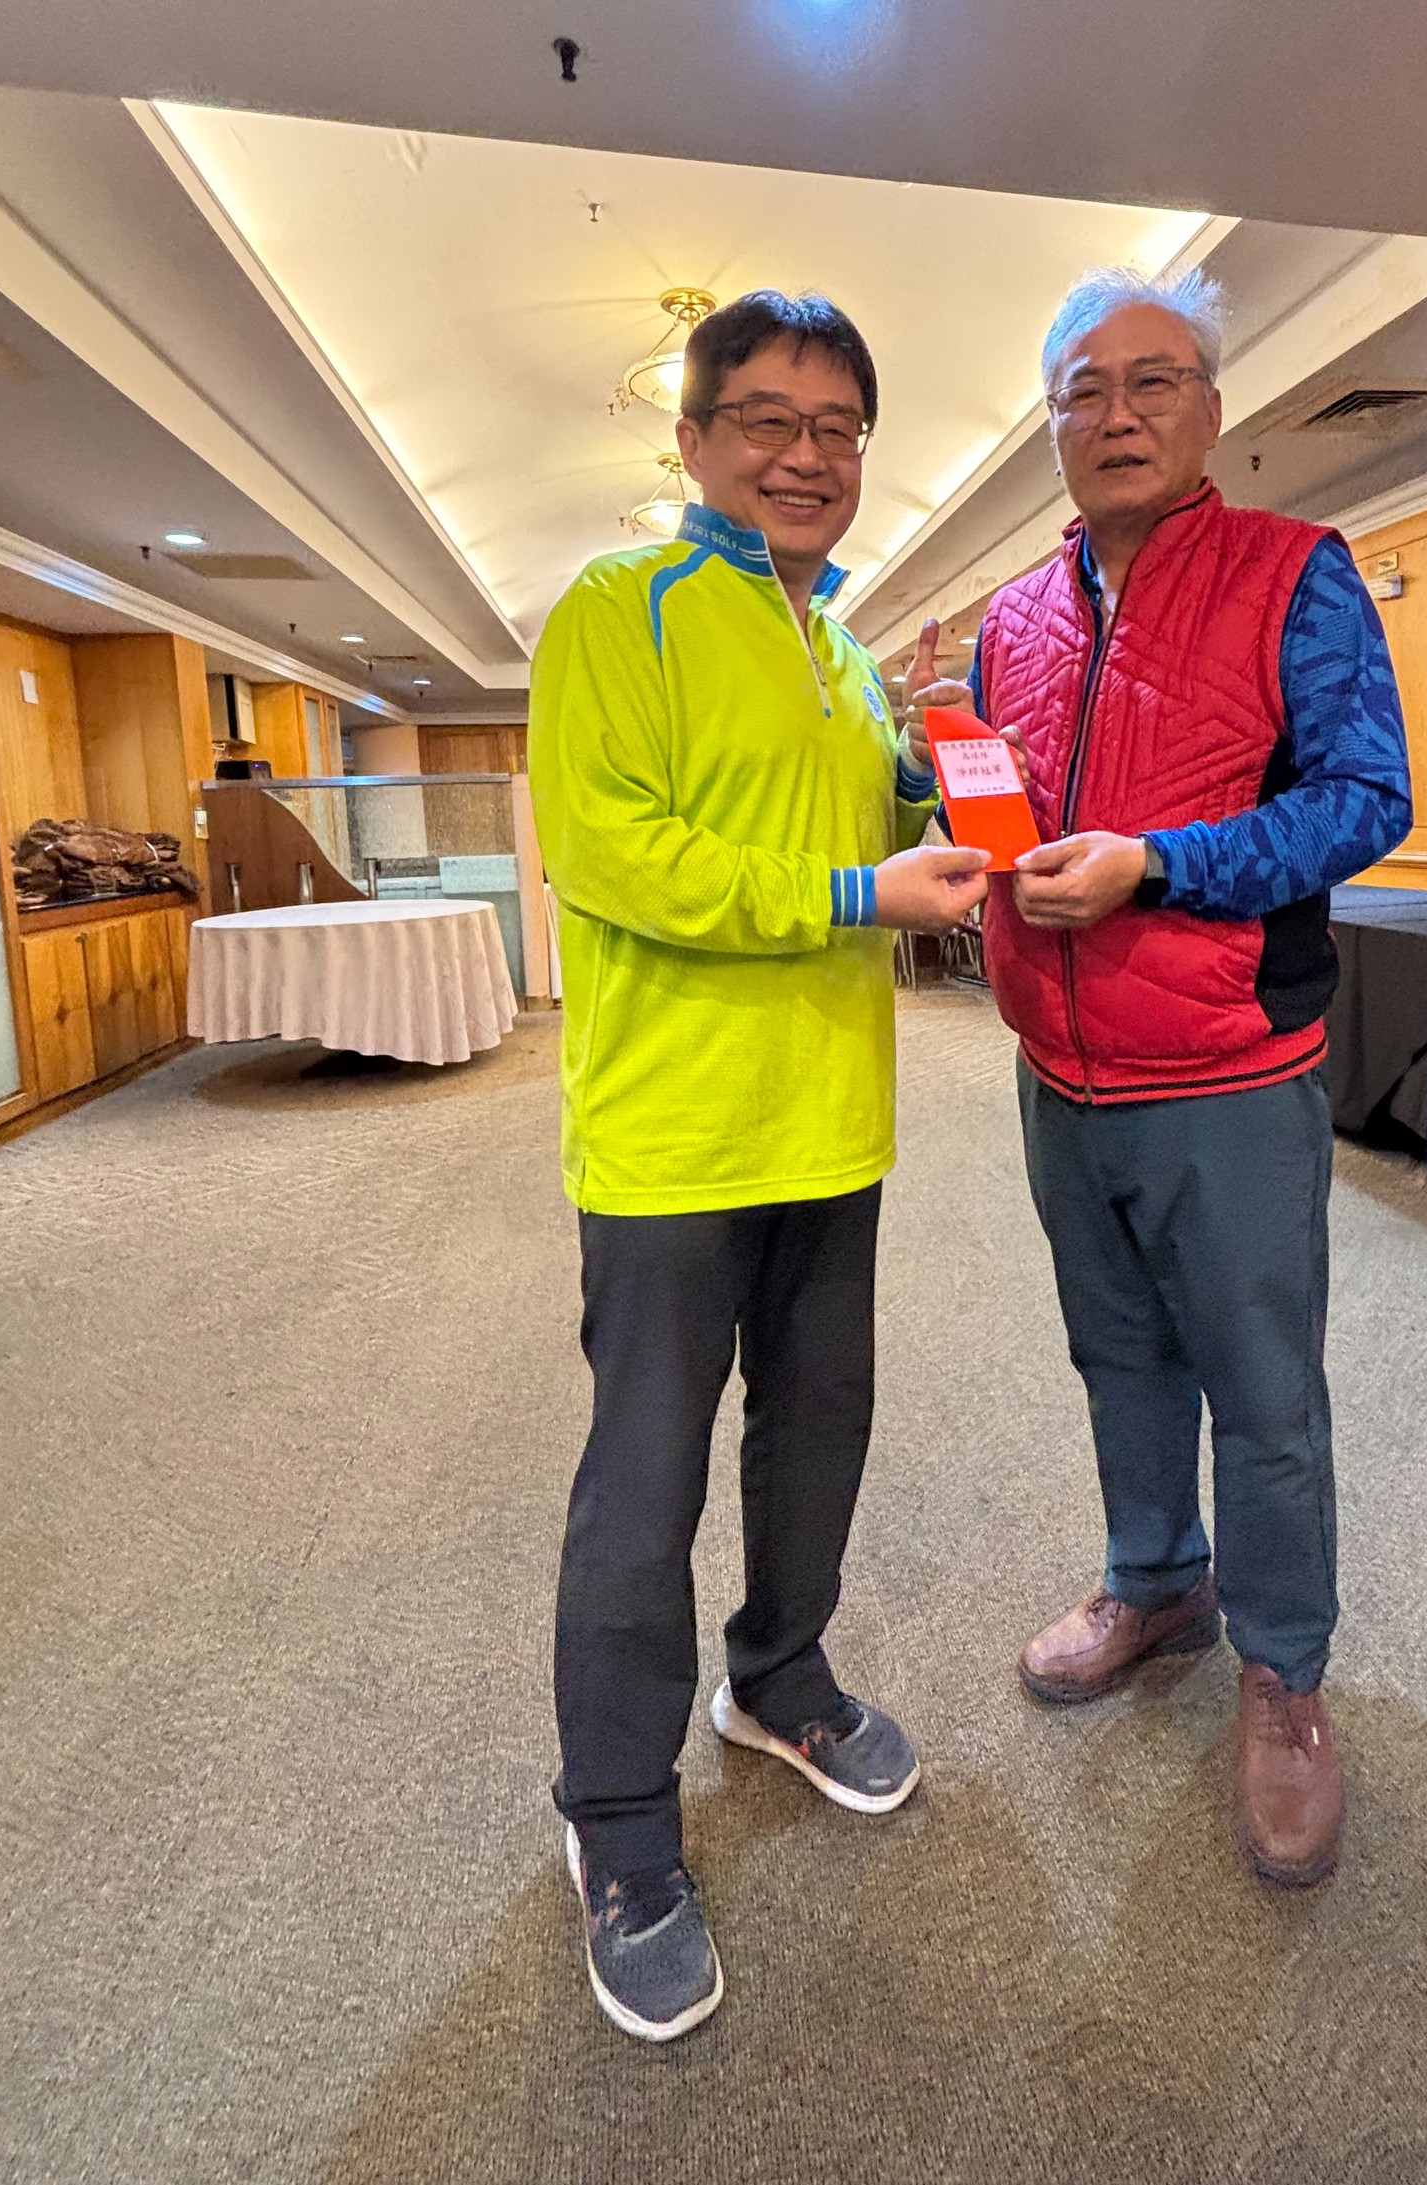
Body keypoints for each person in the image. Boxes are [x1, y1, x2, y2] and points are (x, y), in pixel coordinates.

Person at [909, 266, 1411, 1889]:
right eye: (1083, 389)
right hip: (1057, 1069)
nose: (1115, 414)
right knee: (1117, 1355)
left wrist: (1158, 862)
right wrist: (955, 810)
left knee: (1262, 1393)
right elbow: (1000, 816)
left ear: (1209, 408)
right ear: (1049, 422)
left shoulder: (1294, 573)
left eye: (1151, 382)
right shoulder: (1011, 619)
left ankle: (1283, 1673)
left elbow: (1365, 799)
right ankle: (1155, 1581)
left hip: (1224, 1068)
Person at [529, 290, 989, 2042]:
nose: (809, 456)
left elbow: (852, 829)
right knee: (641, 1484)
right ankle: (617, 1820)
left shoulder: (845, 651)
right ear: (694, 438)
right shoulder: (617, 607)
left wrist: (919, 785)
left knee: (817, 1432)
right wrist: (861, 890)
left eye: (839, 428)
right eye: (770, 421)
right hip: (670, 1140)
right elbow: (616, 853)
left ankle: (780, 1679)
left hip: (830, 1124)